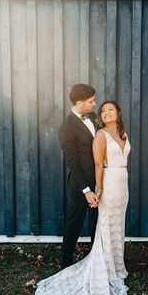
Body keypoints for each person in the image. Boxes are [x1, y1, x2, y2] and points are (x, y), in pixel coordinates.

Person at [34, 100, 131, 295]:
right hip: (96, 184)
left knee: (114, 224)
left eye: (109, 109)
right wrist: (95, 189)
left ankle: (115, 264)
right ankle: (70, 264)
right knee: (84, 224)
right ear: (80, 102)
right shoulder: (90, 132)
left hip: (121, 184)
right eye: (98, 106)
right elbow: (89, 163)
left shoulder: (118, 132)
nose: (103, 110)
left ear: (119, 112)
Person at [58, 83, 99, 269]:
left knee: (97, 222)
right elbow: (72, 162)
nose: (94, 104)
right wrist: (87, 190)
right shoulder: (66, 128)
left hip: (99, 179)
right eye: (91, 101)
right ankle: (65, 263)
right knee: (75, 222)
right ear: (79, 103)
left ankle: (96, 260)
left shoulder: (92, 116)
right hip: (80, 184)